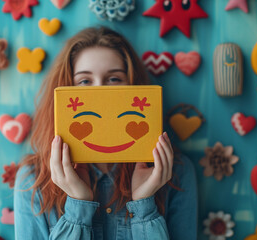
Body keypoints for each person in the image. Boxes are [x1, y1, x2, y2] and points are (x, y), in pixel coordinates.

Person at [14, 26, 198, 240]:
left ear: (134, 86)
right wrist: (78, 207)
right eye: (84, 81)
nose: (100, 91)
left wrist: (144, 205)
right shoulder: (33, 179)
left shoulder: (177, 173)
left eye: (114, 79)